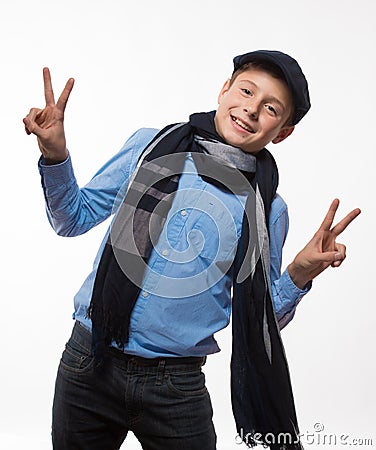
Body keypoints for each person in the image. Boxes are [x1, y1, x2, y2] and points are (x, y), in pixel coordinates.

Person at [24, 50, 360, 450]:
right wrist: (55, 155)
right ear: (224, 90)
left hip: (175, 386)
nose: (250, 110)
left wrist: (300, 272)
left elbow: (258, 318)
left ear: (283, 131)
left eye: (270, 108)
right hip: (89, 361)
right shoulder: (150, 147)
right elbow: (72, 218)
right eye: (246, 91)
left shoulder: (267, 208)